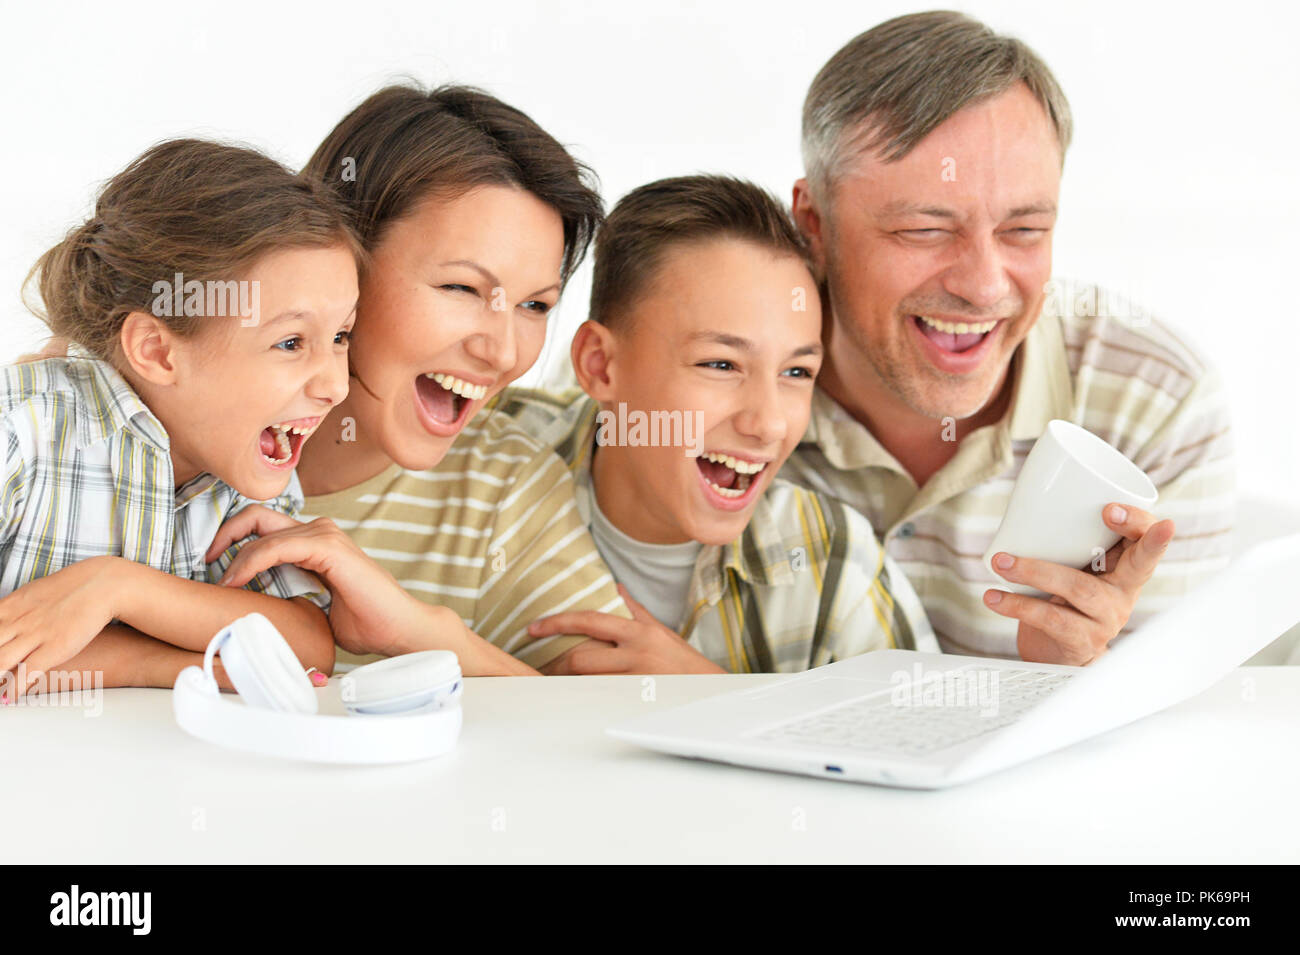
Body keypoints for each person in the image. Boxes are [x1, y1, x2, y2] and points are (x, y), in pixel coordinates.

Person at [782, 12, 1233, 663]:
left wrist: (1071, 677)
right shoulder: (705, 367)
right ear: (814, 224)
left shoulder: (1156, 401)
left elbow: (1162, 738)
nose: (984, 286)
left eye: (1023, 230)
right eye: (924, 230)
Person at [206, 85, 629, 675]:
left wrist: (425, 635)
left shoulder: (500, 485)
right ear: (342, 261)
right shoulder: (155, 430)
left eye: (535, 306)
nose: (503, 351)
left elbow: (602, 729)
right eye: (462, 288)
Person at [501, 175, 937, 673]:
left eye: (796, 372)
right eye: (721, 365)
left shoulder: (833, 564)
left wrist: (710, 696)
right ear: (601, 365)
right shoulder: (488, 455)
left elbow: (929, 741)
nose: (769, 423)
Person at [0, 139, 359, 698]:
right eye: (291, 342)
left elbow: (308, 644)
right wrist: (164, 665)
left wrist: (117, 589)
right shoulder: (21, 430)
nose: (337, 385)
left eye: (340, 336)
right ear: (158, 351)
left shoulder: (254, 466)